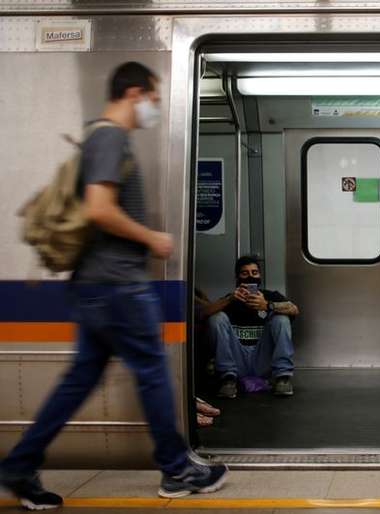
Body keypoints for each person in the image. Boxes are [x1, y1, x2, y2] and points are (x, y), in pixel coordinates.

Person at [0, 62, 227, 510]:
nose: (155, 109)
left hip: (96, 285)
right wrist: (152, 238)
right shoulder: (108, 137)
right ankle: (177, 468)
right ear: (135, 93)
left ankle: (19, 465)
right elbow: (100, 208)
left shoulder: (98, 136)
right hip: (117, 284)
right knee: (152, 373)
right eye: (154, 100)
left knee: (80, 380)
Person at [200, 256, 299, 399]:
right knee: (216, 318)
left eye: (254, 272)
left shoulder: (270, 296)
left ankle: (282, 377)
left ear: (259, 275)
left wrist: (268, 305)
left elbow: (294, 309)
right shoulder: (231, 299)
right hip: (236, 361)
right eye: (245, 273)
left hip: (263, 360)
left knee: (281, 318)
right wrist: (229, 299)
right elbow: (203, 314)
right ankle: (228, 379)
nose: (250, 276)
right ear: (237, 277)